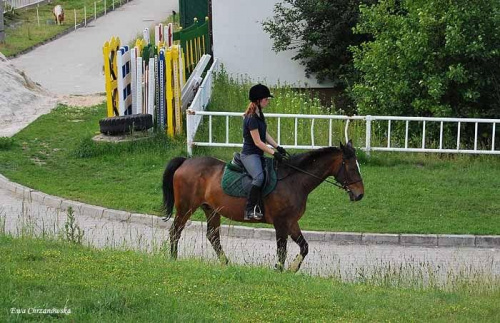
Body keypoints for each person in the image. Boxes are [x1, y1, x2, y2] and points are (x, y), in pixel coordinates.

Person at [241, 84, 289, 220]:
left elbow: (265, 134)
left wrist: (278, 146)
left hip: (258, 153)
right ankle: (249, 210)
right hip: (250, 154)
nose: (268, 101)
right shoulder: (251, 118)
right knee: (259, 177)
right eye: (266, 99)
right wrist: (273, 153)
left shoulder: (259, 114)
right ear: (258, 100)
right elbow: (258, 142)